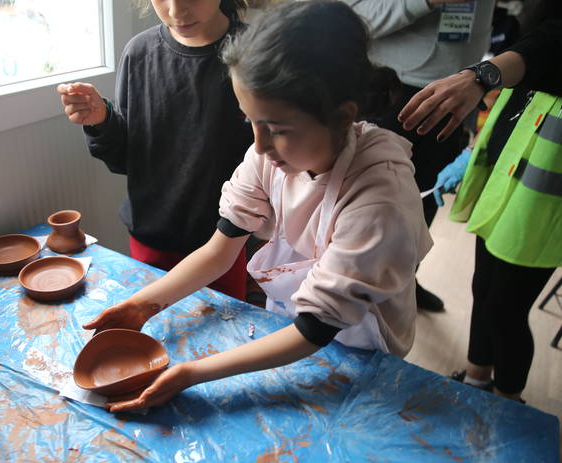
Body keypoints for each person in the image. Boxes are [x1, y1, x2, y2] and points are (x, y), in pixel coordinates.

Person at [83, 0, 433, 412]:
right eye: (251, 122)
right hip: (291, 328)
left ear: (342, 117)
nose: (261, 147)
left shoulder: (379, 196)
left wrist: (192, 373)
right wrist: (144, 304)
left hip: (360, 342)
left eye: (279, 130)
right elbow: (219, 251)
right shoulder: (268, 156)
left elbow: (315, 329)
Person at [398, 4, 561, 402]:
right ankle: (475, 378)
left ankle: (508, 404)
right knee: (484, 287)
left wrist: (482, 75)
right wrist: (474, 152)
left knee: (507, 307)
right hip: (507, 173)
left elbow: (550, 44)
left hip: (542, 201)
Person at [57, 0, 253, 301]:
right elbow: (125, 159)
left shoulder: (255, 54)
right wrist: (102, 120)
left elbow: (270, 158)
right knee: (151, 330)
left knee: (225, 335)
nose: (175, 11)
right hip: (151, 237)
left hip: (225, 241)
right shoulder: (139, 53)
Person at [339, 0, 496, 312]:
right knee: (363, 201)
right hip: (388, 88)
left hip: (459, 90)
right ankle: (346, 290)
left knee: (423, 199)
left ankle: (403, 282)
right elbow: (351, 15)